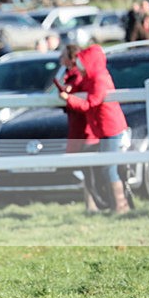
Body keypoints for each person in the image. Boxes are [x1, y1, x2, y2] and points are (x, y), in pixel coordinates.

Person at [59, 45, 130, 214]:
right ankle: (116, 206)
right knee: (106, 166)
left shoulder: (99, 79)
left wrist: (69, 99)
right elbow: (79, 87)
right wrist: (69, 90)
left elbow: (90, 104)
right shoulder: (92, 78)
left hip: (110, 129)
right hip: (104, 130)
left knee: (108, 167)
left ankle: (121, 206)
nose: (80, 66)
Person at [59, 45, 100, 212]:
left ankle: (95, 204)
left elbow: (80, 97)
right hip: (77, 126)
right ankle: (91, 204)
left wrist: (67, 95)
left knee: (89, 168)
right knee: (85, 168)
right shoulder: (68, 75)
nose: (60, 58)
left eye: (63, 55)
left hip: (84, 128)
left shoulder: (77, 76)